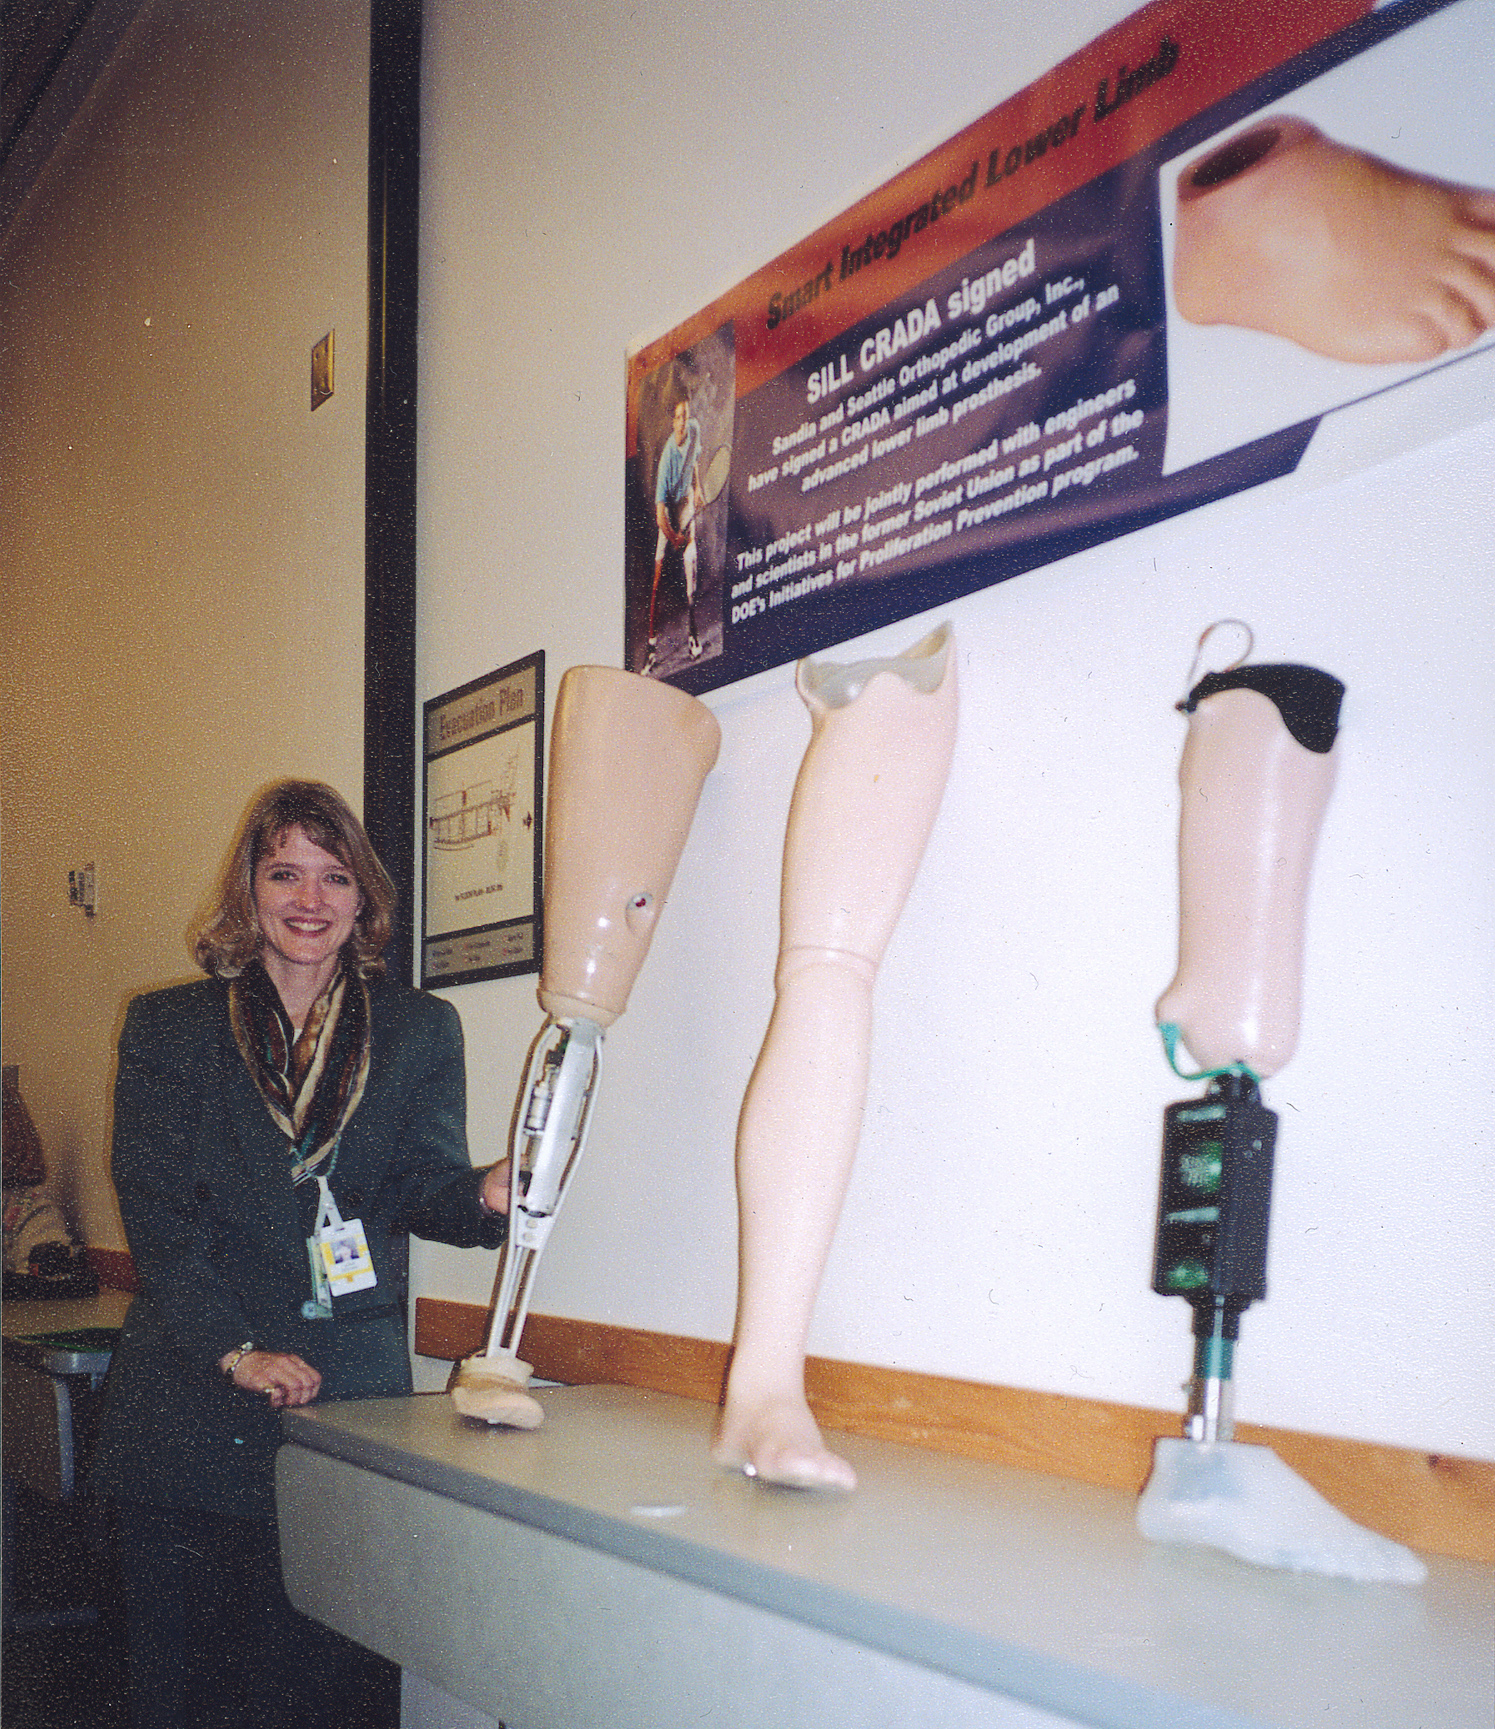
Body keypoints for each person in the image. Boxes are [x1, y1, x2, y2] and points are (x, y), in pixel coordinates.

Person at [93, 780, 511, 1729]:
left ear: (364, 899)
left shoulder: (416, 1030)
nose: (309, 899)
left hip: (341, 1403)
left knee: (322, 1691)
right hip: (190, 1413)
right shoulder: (169, 1028)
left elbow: (418, 1186)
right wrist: (237, 1349)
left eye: (334, 877)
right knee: (184, 1696)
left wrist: (484, 1193)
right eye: (285, 873)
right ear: (249, 890)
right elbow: (158, 1219)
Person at [644, 393, 704, 669]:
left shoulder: (694, 429)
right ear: (672, 422)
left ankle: (693, 634)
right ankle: (652, 648)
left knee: (690, 565)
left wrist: (700, 487)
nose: (683, 422)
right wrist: (674, 538)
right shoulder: (667, 457)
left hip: (686, 500)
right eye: (678, 417)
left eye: (686, 416)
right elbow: (659, 516)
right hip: (668, 509)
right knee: (657, 579)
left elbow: (695, 461)